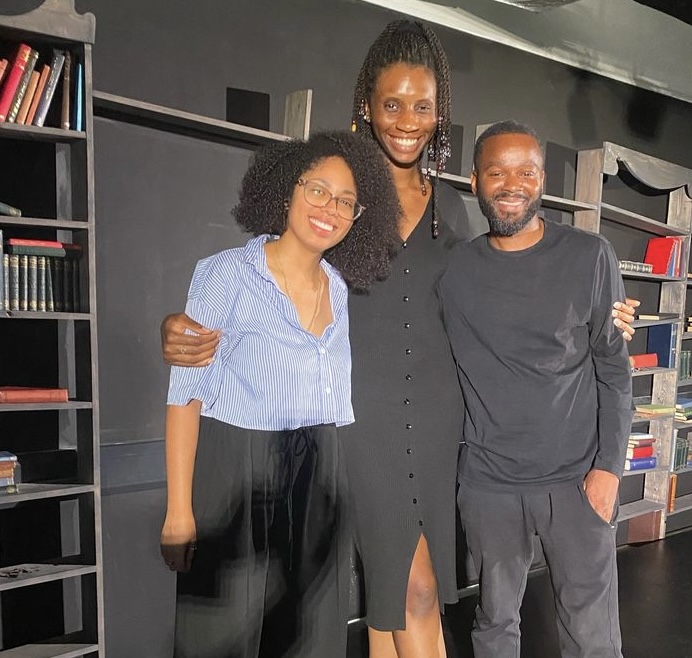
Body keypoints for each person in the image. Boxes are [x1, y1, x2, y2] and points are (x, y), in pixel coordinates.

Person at [160, 20, 638, 658]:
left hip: (446, 428)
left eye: (422, 105)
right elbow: (274, 273)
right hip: (367, 425)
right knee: (405, 592)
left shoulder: (456, 209)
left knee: (405, 600)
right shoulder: (342, 201)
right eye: (392, 103)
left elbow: (503, 294)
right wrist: (182, 328)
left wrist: (603, 317)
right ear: (367, 105)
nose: (407, 120)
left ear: (439, 113)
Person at [159, 131, 401, 658]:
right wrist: (180, 510)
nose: (330, 209)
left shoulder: (339, 287)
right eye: (318, 190)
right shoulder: (225, 274)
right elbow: (186, 394)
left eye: (345, 202)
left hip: (321, 473)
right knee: (223, 637)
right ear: (287, 190)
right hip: (237, 471)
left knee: (312, 636)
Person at [439, 120, 633, 658]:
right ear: (475, 180)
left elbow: (614, 370)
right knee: (495, 621)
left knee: (590, 628)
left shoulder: (590, 256)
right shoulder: (454, 270)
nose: (511, 184)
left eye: (525, 171)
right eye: (496, 172)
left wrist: (609, 470)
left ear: (542, 179)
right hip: (488, 485)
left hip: (576, 482)